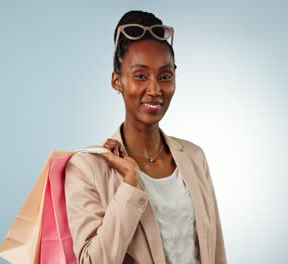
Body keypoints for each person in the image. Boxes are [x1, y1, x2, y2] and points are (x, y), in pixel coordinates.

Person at [64, 10, 227, 264]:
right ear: (117, 81)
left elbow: (215, 251)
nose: (155, 90)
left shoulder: (194, 157)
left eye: (165, 76)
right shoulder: (87, 167)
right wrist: (130, 184)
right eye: (140, 76)